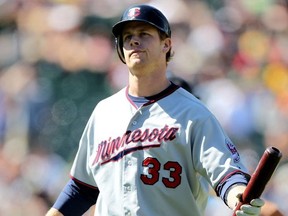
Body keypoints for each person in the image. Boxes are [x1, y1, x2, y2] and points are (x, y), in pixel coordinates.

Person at [46, 4, 265, 216]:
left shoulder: (193, 113)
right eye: (127, 36)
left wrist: (237, 195)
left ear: (166, 44)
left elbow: (227, 174)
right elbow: (83, 188)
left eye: (144, 34)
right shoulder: (104, 112)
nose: (134, 40)